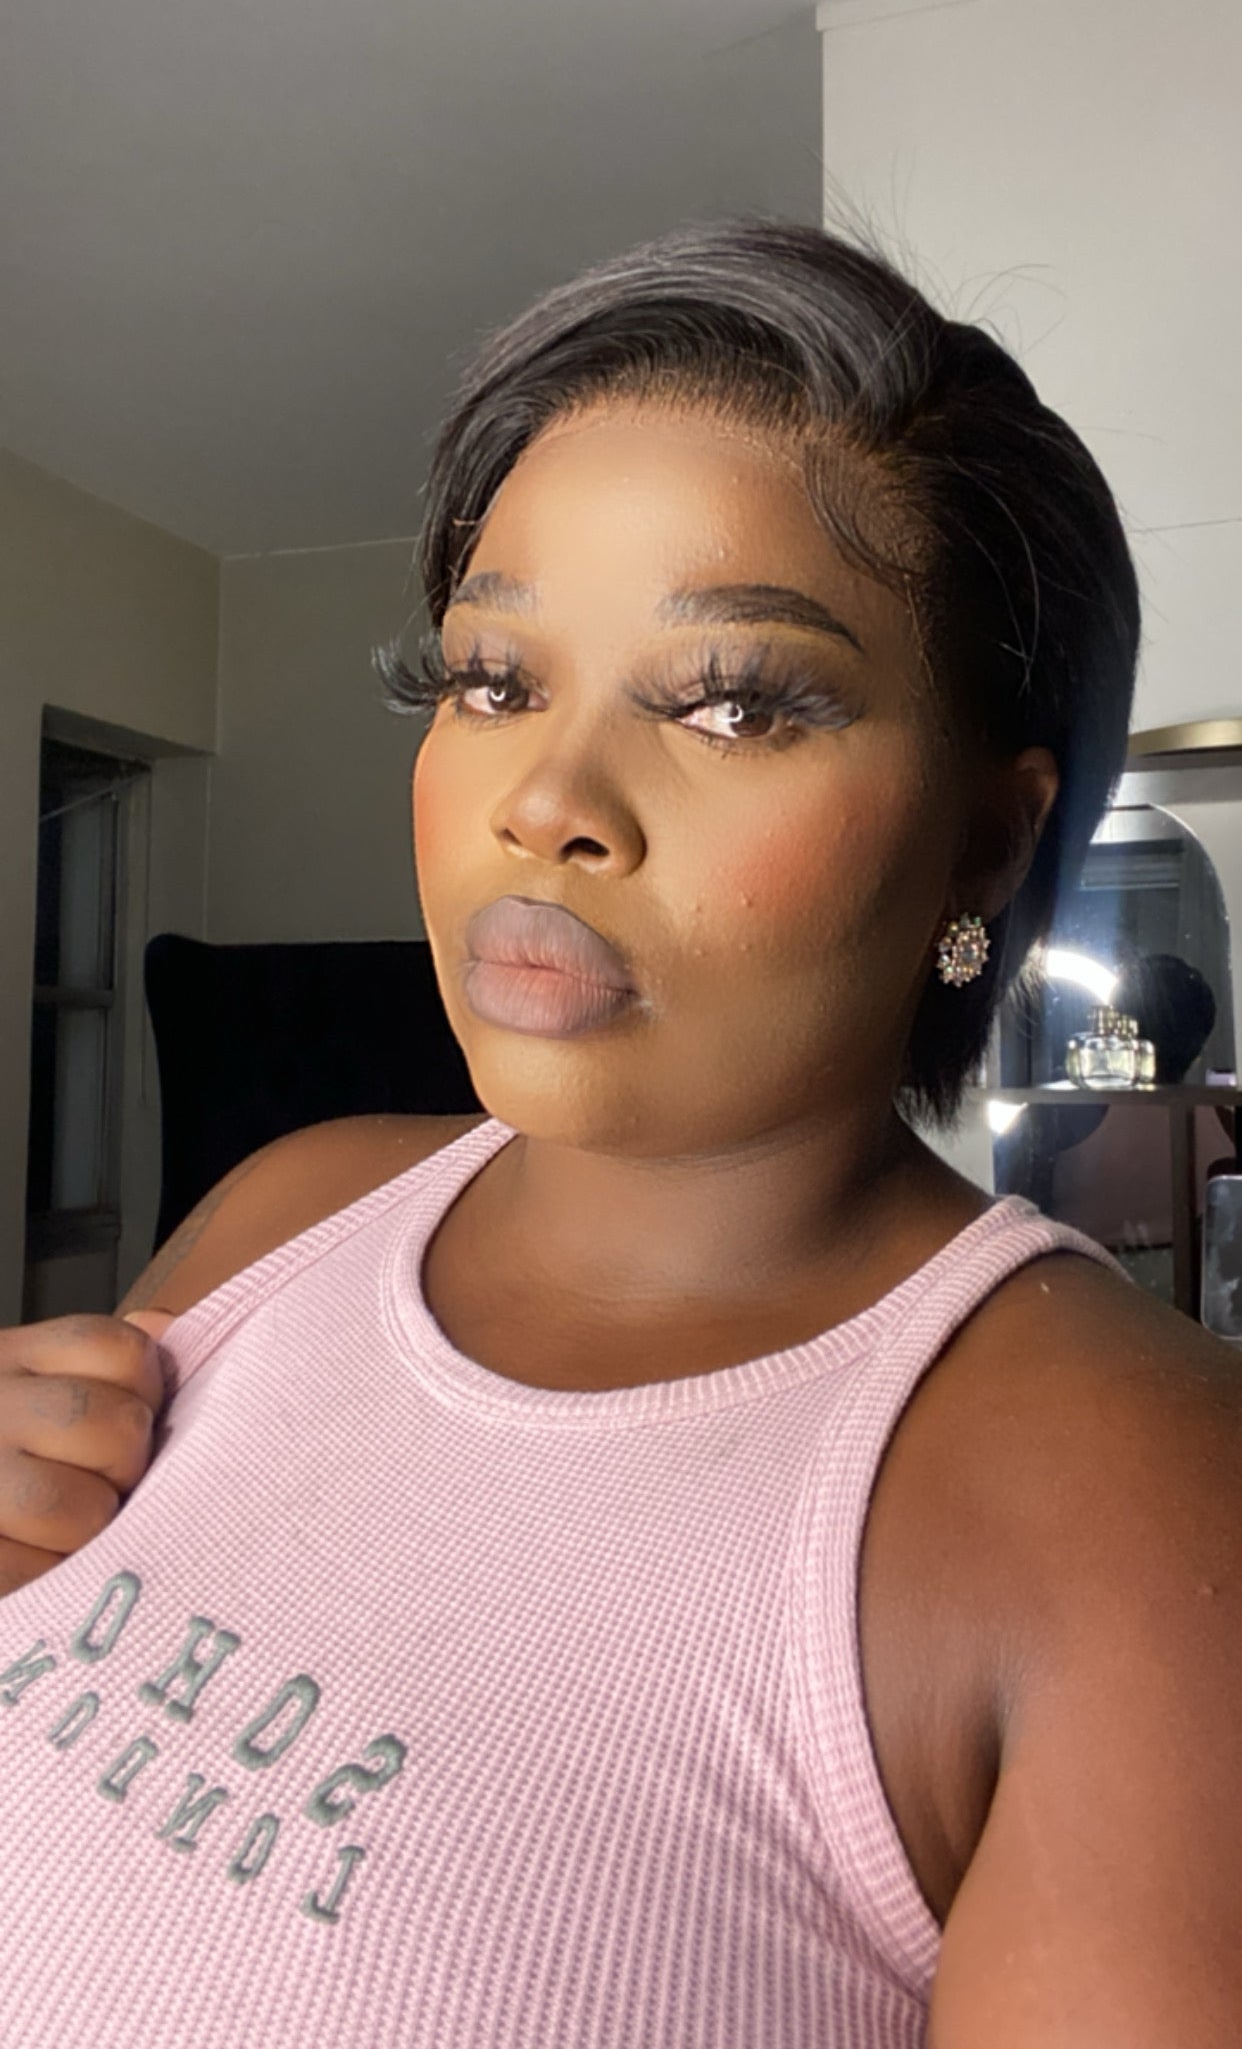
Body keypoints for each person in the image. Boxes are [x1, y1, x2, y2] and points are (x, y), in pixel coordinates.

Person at [2, 218, 1241, 2048]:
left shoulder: (1138, 1508)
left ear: (987, 836)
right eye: (492, 681)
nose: (547, 801)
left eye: (731, 702)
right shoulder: (287, 1207)